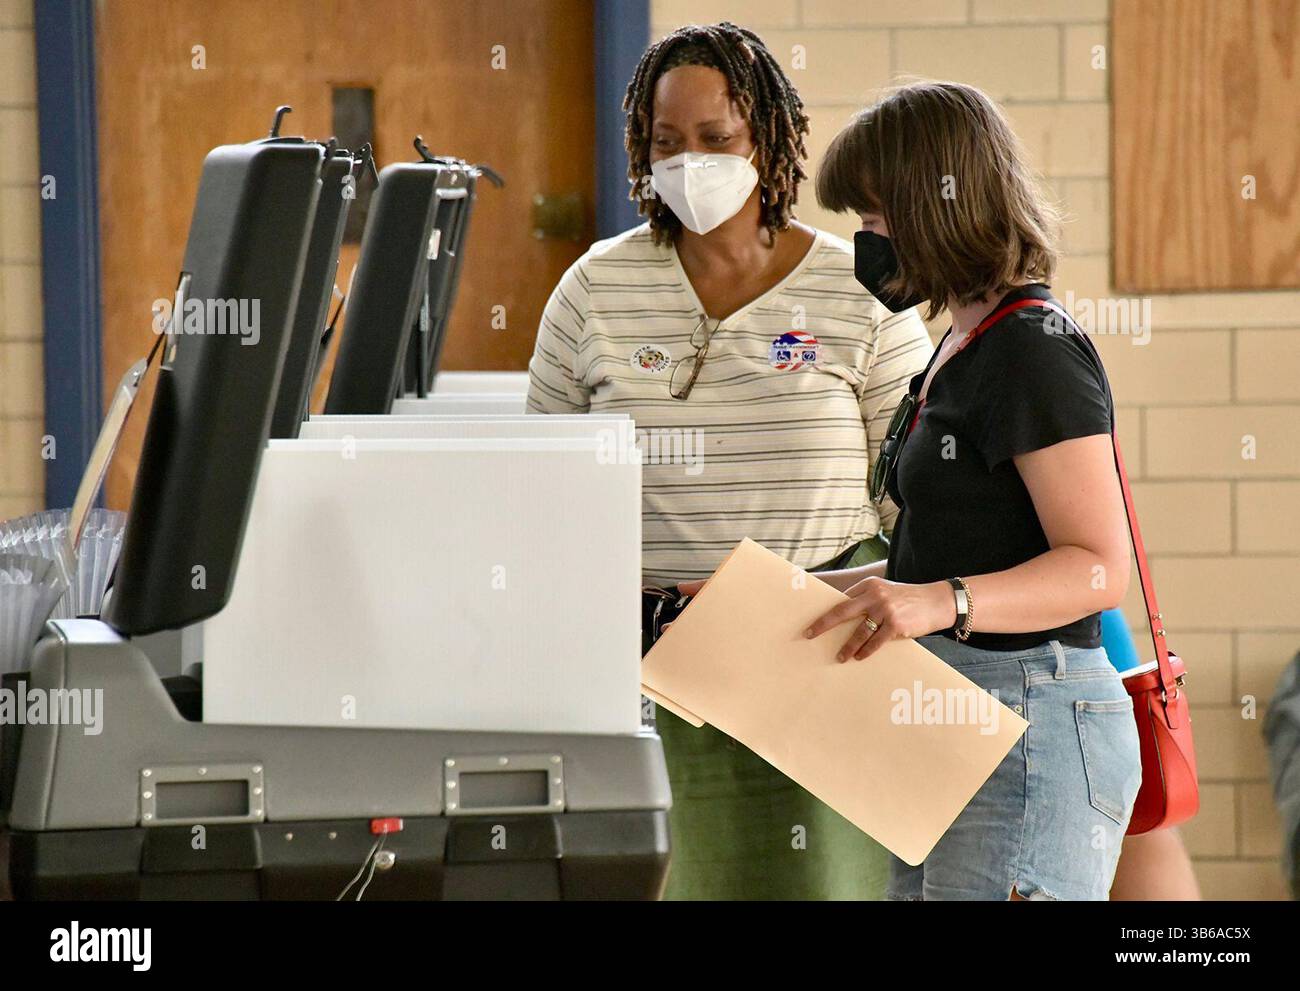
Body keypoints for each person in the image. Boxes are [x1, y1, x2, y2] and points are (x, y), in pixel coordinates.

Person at [525, 22, 933, 899]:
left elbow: (919, 512)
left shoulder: (859, 291)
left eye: (717, 139)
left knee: (828, 885)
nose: (690, 163)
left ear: (770, 143)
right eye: (667, 142)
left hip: (822, 655)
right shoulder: (596, 288)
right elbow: (542, 490)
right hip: (655, 670)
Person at [791, 80, 1143, 900]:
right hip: (951, 719)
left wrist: (940, 601)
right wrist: (767, 593)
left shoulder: (1032, 350)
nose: (866, 243)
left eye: (876, 221)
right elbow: (927, 564)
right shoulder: (957, 340)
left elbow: (1098, 568)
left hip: (1032, 722)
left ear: (936, 207)